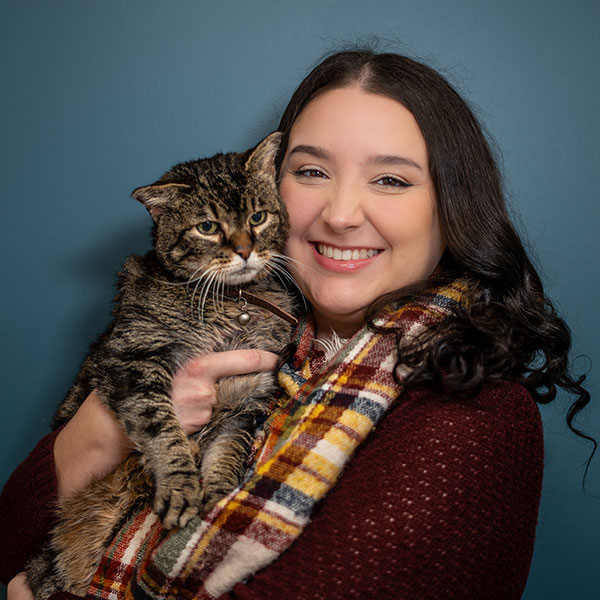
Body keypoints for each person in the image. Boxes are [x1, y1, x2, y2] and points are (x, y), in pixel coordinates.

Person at [1, 49, 592, 600]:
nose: (339, 215)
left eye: (391, 179)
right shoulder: (269, 352)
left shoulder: (475, 417)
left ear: (451, 204)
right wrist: (102, 431)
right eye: (311, 171)